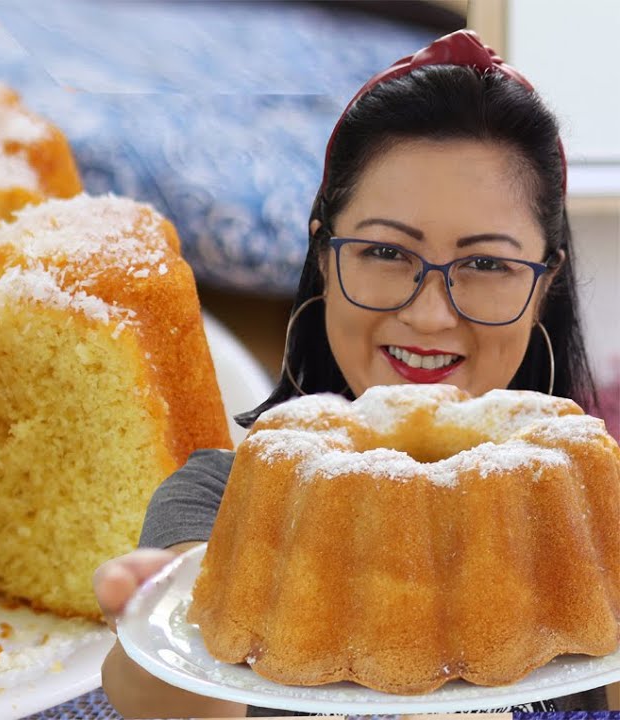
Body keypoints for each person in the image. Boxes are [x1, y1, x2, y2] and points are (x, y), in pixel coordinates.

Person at [94, 29, 608, 718]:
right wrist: (152, 646)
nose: (429, 315)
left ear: (547, 282)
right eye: (385, 252)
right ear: (324, 257)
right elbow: (182, 693)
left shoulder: (577, 506)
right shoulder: (226, 495)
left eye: (486, 264)